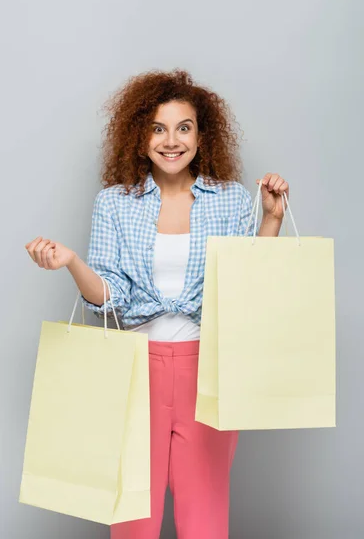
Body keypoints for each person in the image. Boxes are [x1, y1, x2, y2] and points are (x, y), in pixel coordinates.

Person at [25, 69, 289, 539]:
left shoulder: (229, 200)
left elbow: (247, 289)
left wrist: (269, 220)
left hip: (208, 369)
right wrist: (71, 262)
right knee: (132, 520)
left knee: (204, 517)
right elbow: (109, 299)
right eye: (158, 128)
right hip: (132, 372)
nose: (171, 141)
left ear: (201, 135)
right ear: (139, 136)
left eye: (184, 127)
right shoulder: (114, 204)